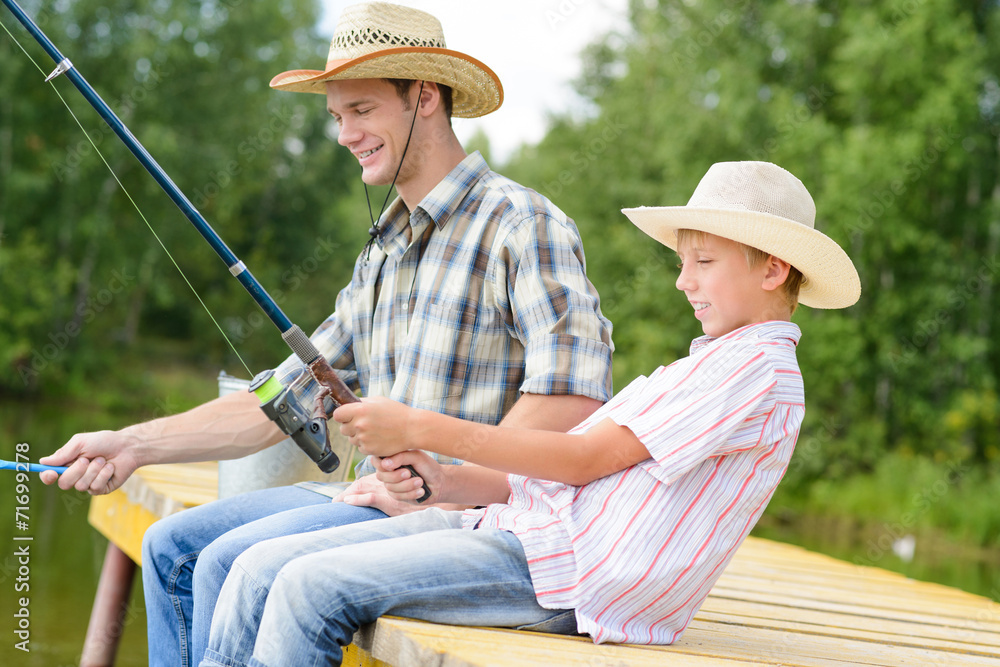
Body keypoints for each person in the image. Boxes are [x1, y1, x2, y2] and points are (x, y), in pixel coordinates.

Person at [39, 3, 613, 666]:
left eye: (362, 109)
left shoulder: (523, 223)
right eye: (337, 115)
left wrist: (448, 479)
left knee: (232, 562)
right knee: (172, 547)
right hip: (371, 499)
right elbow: (281, 403)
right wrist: (131, 444)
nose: (344, 133)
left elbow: (574, 396)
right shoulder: (383, 250)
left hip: (471, 521)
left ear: (424, 96)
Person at [196, 160, 862, 667]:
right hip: (527, 539)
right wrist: (446, 482)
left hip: (568, 579)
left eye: (704, 262)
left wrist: (418, 425)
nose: (683, 280)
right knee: (257, 565)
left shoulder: (758, 372)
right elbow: (571, 476)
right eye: (684, 262)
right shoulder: (705, 365)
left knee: (308, 585)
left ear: (773, 269)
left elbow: (583, 458)